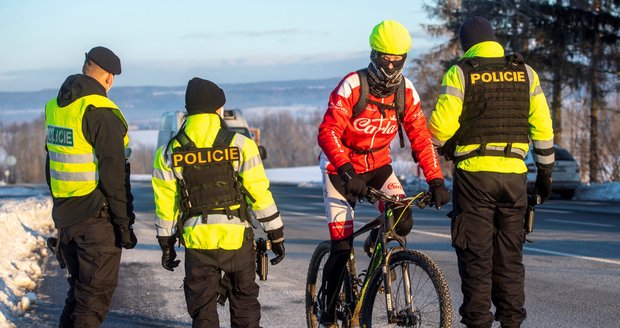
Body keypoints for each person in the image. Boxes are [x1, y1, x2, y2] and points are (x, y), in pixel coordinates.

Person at [316, 20, 450, 327]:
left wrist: (436, 180)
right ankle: (326, 313)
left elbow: (420, 137)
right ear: (374, 55)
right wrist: (347, 172)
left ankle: (376, 243)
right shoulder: (353, 84)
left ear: (404, 58)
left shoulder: (406, 91)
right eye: (384, 59)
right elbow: (327, 133)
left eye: (397, 60)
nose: (390, 66)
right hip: (340, 169)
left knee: (402, 217)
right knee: (340, 244)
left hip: (377, 166)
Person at [429, 16, 555, 328]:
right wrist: (545, 172)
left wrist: (450, 145)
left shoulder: (461, 73)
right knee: (510, 259)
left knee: (476, 259)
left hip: (474, 178)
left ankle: (478, 323)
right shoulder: (524, 72)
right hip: (514, 178)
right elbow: (542, 127)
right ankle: (511, 323)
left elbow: (439, 130)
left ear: (467, 45)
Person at [152, 77, 285, 328]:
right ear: (218, 109)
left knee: (203, 311)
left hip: (197, 240)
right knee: (244, 304)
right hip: (237, 240)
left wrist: (166, 242)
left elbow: (166, 203)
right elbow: (259, 193)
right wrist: (275, 233)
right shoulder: (241, 145)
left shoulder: (169, 152)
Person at [44, 46, 137, 327]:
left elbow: (51, 164)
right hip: (96, 220)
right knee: (92, 302)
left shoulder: (57, 106)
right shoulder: (101, 111)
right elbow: (114, 177)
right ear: (109, 78)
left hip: (66, 217)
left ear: (86, 65)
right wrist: (124, 225)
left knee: (79, 294)